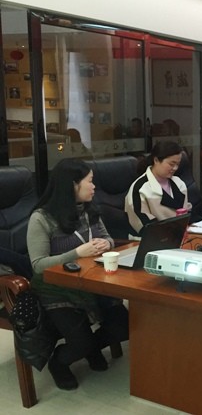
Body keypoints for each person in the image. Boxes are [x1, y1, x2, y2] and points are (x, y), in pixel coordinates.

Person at [27, 158, 129, 390]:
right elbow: (38, 265)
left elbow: (108, 238)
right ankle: (59, 363)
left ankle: (92, 348)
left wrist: (107, 244)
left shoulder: (90, 210)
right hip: (56, 289)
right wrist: (76, 253)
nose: (94, 187)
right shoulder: (41, 218)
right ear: (73, 184)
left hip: (92, 281)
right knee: (80, 343)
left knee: (124, 326)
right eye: (90, 181)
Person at [125, 141, 191, 235]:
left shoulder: (179, 184)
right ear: (156, 160)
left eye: (177, 164)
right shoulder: (140, 188)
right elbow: (145, 227)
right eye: (171, 164)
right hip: (151, 239)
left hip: (179, 236)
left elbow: (185, 215)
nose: (175, 168)